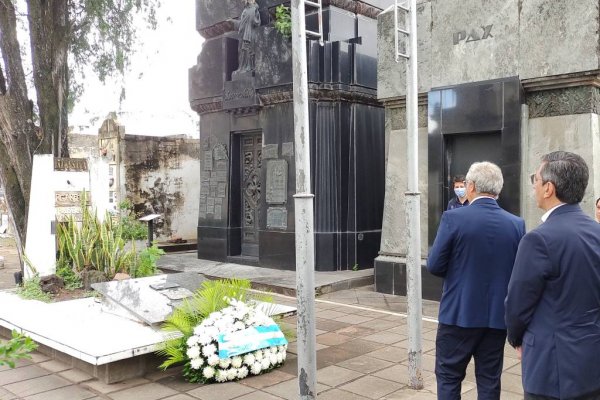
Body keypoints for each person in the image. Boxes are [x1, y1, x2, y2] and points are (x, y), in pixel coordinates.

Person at [505, 151, 600, 400]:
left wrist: (515, 338)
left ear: (548, 188)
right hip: (592, 360)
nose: (533, 186)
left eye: (534, 179)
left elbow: (517, 304)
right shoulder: (596, 232)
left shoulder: (539, 239)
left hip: (551, 367)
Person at [427, 161, 525, 399]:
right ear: (498, 190)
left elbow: (434, 265)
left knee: (449, 376)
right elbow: (518, 272)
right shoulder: (516, 224)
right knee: (490, 380)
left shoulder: (453, 219)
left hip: (458, 315)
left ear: (470, 186)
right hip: (496, 318)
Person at [233, 0, 261, 76]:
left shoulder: (254, 9)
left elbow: (256, 22)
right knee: (242, 50)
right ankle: (242, 67)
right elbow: (241, 22)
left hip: (250, 33)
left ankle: (249, 67)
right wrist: (233, 21)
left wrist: (252, 13)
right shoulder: (245, 10)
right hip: (243, 34)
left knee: (248, 49)